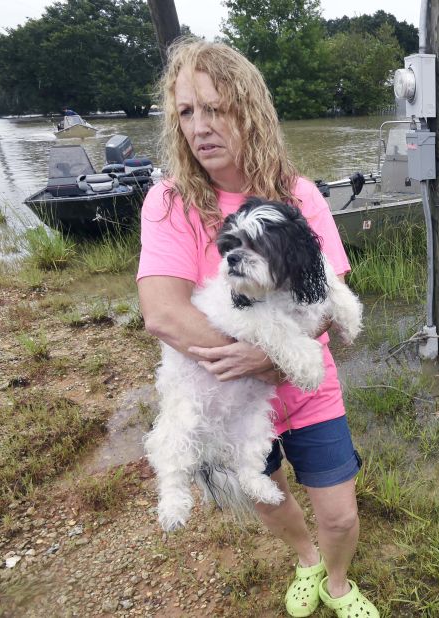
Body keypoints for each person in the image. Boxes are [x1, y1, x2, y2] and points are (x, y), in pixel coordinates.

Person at [136, 38, 378, 618]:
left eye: (214, 109)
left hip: (307, 382)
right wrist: (250, 359)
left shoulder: (299, 196)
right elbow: (164, 313)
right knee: (265, 496)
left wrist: (271, 361)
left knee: (340, 512)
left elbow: (327, 298)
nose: (200, 128)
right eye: (186, 113)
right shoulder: (168, 201)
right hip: (225, 388)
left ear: (249, 110)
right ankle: (305, 560)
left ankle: (338, 582)